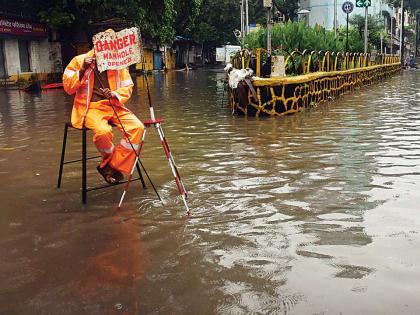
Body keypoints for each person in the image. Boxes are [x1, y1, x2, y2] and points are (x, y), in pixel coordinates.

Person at [63, 31, 144, 184]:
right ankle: (110, 166)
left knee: (137, 127)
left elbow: (128, 88)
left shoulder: (118, 63)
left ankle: (111, 166)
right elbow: (68, 88)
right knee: (103, 132)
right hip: (91, 108)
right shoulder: (79, 60)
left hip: (114, 105)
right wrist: (82, 70)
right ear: (97, 45)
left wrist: (114, 94)